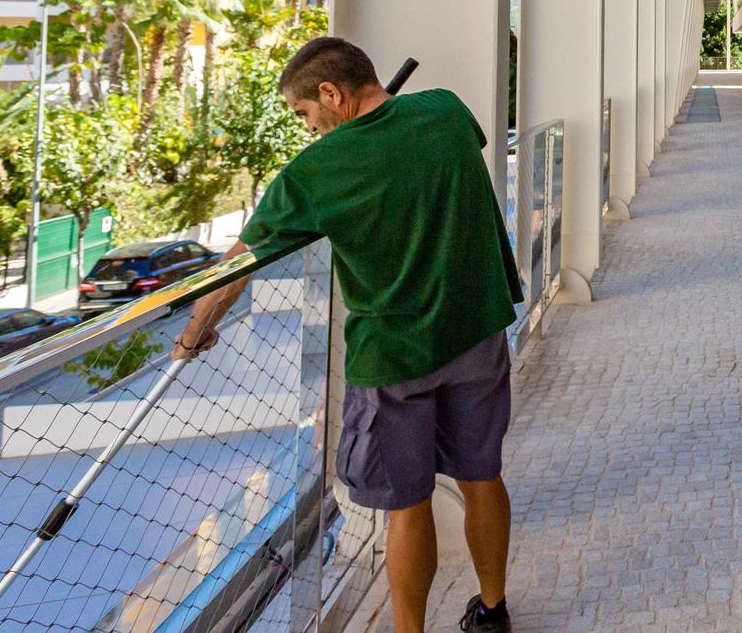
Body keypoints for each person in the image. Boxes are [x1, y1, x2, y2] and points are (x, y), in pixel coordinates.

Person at [173, 38, 525, 633]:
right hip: (476, 333)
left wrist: (191, 336)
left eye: (306, 114)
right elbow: (432, 163)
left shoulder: (314, 173)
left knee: (407, 505)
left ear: (331, 93)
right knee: (481, 474)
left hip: (394, 359)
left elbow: (236, 267)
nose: (309, 129)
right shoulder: (446, 109)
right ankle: (493, 611)